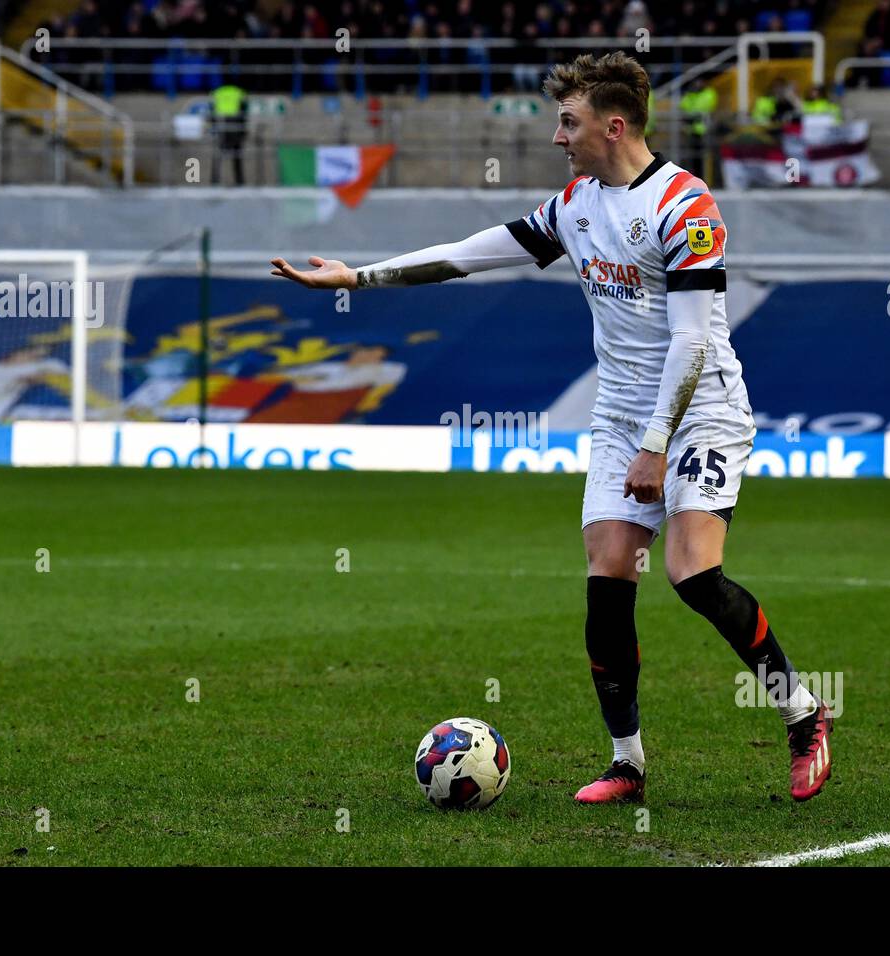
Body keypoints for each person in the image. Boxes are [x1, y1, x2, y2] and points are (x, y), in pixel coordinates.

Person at [270, 52, 835, 805]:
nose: (557, 137)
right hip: (621, 414)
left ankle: (802, 714)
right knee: (607, 578)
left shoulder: (685, 206)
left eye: (567, 122)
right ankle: (627, 762)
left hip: (699, 409)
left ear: (613, 123)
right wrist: (360, 277)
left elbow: (692, 342)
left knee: (691, 571)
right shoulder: (574, 205)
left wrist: (655, 447)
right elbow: (473, 254)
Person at [210, 80, 248, 185]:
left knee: (218, 156)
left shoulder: (217, 92)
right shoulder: (239, 92)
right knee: (237, 156)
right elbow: (244, 111)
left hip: (221, 123)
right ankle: (240, 182)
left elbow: (212, 111)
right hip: (235, 123)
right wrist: (243, 129)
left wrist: (213, 127)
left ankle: (214, 181)